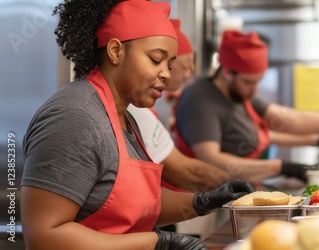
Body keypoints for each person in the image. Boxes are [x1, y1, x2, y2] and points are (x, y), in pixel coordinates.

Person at [20, 1, 253, 249]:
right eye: (156, 60)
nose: (166, 74)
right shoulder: (76, 117)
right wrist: (157, 242)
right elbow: (44, 237)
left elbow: (133, 204)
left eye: (170, 65)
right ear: (115, 51)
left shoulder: (124, 116)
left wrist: (204, 201)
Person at [174, 30, 319, 183]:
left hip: (229, 196)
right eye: (249, 82)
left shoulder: (238, 93)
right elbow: (213, 161)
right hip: (200, 210)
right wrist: (281, 167)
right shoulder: (200, 100)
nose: (254, 90)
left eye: (257, 82)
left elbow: (284, 122)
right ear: (227, 72)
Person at [127, 19, 228, 193]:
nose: (188, 74)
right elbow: (184, 171)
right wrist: (229, 186)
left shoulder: (144, 104)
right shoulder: (133, 109)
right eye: (157, 61)